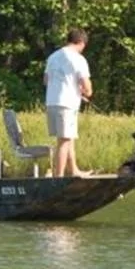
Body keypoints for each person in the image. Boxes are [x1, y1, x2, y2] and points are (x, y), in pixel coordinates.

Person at [44, 28, 93, 177]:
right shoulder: (78, 59)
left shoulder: (53, 57)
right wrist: (87, 93)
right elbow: (86, 85)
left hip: (51, 103)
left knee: (68, 137)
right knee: (64, 141)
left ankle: (74, 170)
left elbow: (46, 80)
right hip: (67, 104)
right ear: (81, 42)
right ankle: (58, 178)